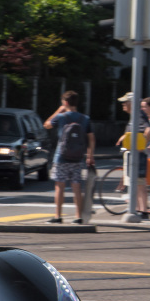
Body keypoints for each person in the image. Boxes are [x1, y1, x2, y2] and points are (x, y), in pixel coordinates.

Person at [43, 90, 96, 223]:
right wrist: (90, 156)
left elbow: (47, 125)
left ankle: (58, 216)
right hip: (78, 157)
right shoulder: (85, 119)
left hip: (61, 156)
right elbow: (91, 139)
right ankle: (78, 216)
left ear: (65, 102)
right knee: (76, 186)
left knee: (59, 186)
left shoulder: (61, 117)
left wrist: (58, 111)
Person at [115, 92, 150, 219]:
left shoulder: (138, 115)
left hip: (137, 154)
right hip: (133, 153)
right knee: (136, 182)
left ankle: (142, 211)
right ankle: (138, 209)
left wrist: (141, 145)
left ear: (131, 103)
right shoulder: (135, 115)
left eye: (125, 102)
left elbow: (149, 130)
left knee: (139, 182)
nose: (123, 104)